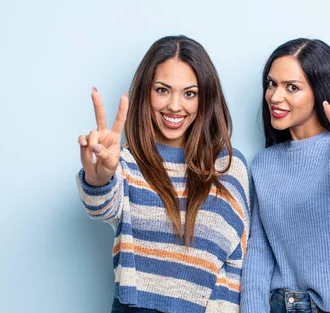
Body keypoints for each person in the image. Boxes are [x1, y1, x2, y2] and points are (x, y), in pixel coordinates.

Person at [76, 35, 250, 313]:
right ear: (146, 91)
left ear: (204, 98)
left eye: (189, 93)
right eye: (163, 90)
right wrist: (100, 177)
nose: (175, 106)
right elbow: (102, 207)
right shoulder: (128, 161)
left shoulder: (228, 166)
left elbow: (239, 261)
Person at [241, 38, 330, 313]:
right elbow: (259, 254)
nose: (275, 96)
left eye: (292, 87)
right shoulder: (263, 164)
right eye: (272, 84)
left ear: (319, 92)